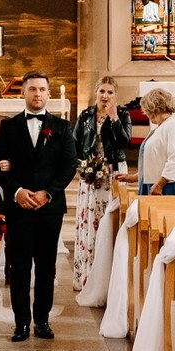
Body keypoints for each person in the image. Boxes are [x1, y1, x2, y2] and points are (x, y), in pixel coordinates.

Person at [0, 73, 76, 341]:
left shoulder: (62, 127)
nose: (37, 94)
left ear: (48, 93)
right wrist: (16, 191)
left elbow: (68, 166)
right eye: (32, 89)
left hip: (49, 209)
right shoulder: (9, 126)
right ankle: (21, 323)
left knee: (46, 266)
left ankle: (42, 320)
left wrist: (47, 194)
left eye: (41, 89)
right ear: (24, 93)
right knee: (19, 266)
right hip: (19, 208)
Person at [71, 79, 134, 288]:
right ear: (95, 92)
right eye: (102, 91)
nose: (105, 96)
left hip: (113, 172)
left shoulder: (123, 115)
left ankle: (110, 280)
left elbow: (125, 143)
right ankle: (88, 276)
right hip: (91, 173)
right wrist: (84, 167)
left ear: (115, 95)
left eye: (110, 92)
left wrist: (115, 119)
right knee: (91, 220)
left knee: (110, 219)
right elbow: (75, 145)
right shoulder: (85, 115)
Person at [137, 88, 175, 196]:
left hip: (168, 185)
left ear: (152, 108)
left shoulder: (173, 126)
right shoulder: (161, 127)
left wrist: (159, 185)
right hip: (156, 183)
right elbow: (157, 160)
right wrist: (134, 177)